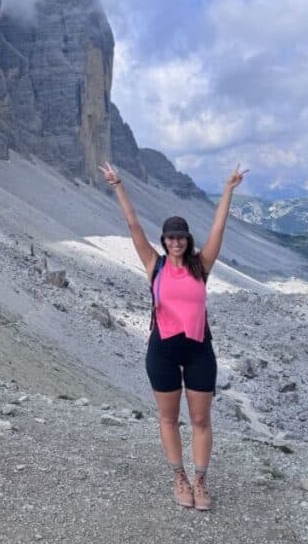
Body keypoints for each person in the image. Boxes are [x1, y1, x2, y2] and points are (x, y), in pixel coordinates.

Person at [98, 161, 248, 511]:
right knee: (168, 418)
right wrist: (118, 184)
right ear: (164, 241)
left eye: (181, 237)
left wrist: (228, 189)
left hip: (199, 351)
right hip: (162, 350)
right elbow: (133, 223)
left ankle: (200, 480)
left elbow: (219, 227)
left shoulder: (202, 264)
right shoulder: (155, 264)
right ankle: (179, 477)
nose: (176, 242)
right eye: (170, 237)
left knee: (200, 419)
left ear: (187, 240)